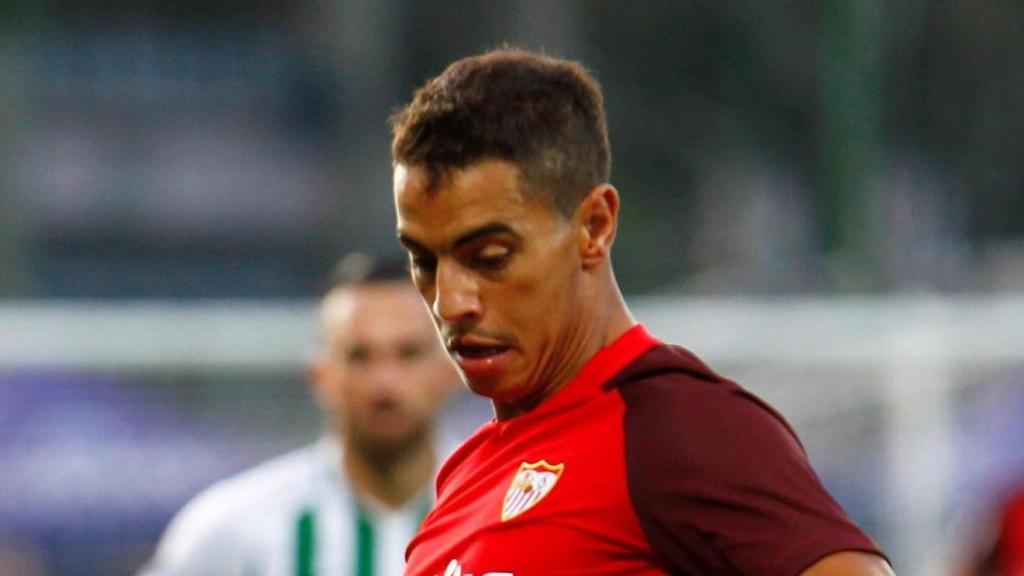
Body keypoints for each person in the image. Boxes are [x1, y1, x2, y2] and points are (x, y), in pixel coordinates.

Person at [389, 48, 895, 576]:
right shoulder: (466, 474)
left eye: (490, 257)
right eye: (422, 260)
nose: (449, 301)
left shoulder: (682, 431)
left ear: (595, 226)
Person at [140, 254, 460, 576]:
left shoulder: (500, 514)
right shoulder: (233, 530)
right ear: (321, 375)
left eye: (409, 354)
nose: (384, 382)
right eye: (358, 356)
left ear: (451, 369)